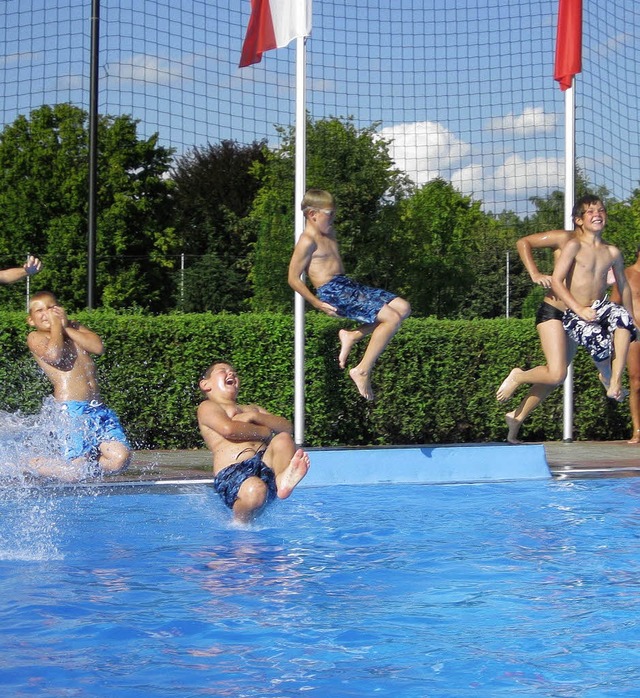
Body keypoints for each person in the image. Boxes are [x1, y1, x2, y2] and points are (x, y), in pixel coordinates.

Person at [497, 196, 622, 443]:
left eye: (601, 210)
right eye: (590, 212)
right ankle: (518, 375)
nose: (597, 214)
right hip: (554, 311)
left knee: (554, 375)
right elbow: (523, 241)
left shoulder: (605, 250)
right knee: (555, 374)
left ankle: (516, 417)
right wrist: (534, 273)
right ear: (578, 220)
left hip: (578, 319)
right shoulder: (565, 239)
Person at [288, 189, 411, 400]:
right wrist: (317, 303)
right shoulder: (307, 241)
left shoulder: (329, 232)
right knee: (390, 318)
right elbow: (292, 278)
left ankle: (352, 335)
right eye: (329, 213)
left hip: (347, 285)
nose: (334, 218)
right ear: (312, 214)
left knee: (403, 307)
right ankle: (362, 369)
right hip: (333, 291)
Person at [26, 291, 131, 481]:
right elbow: (54, 355)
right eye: (40, 310)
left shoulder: (74, 328)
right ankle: (26, 463)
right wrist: (58, 325)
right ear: (31, 320)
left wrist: (66, 327)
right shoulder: (35, 337)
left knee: (119, 460)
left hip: (98, 409)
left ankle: (82, 466)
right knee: (74, 473)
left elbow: (98, 347)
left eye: (51, 307)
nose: (47, 313)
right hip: (71, 410)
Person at [197, 361, 310, 522]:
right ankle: (240, 524)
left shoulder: (253, 409)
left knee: (283, 439)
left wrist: (254, 416)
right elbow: (229, 430)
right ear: (205, 384)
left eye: (234, 372)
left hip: (266, 463)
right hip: (233, 470)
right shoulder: (208, 406)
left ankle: (282, 480)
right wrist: (264, 431)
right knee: (255, 490)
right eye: (223, 371)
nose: (231, 374)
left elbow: (286, 427)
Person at [610, 244, 640, 442]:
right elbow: (614, 305)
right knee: (636, 381)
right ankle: (637, 430)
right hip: (636, 334)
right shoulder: (627, 274)